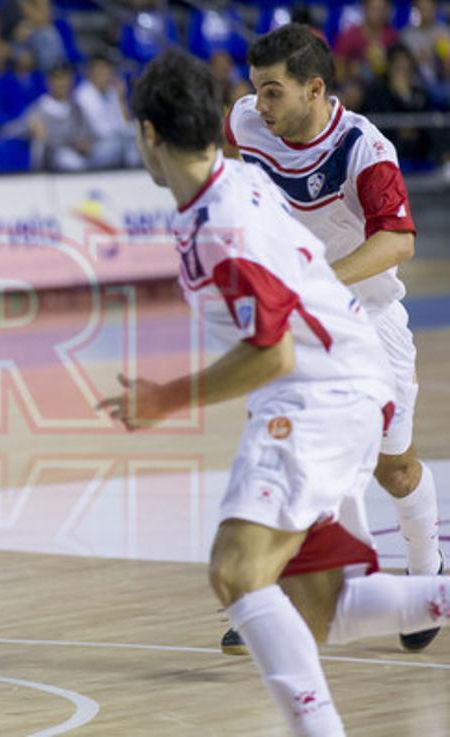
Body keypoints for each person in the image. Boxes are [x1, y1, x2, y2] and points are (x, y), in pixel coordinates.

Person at [102, 48, 450, 737]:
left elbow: (273, 347)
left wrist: (164, 398)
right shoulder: (233, 178)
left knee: (236, 571)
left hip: (317, 391)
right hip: (342, 379)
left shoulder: (219, 225)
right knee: (319, 603)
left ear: (148, 134)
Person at [223, 23, 442, 654]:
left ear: (314, 89)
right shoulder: (246, 123)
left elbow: (398, 240)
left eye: (273, 92)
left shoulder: (363, 148)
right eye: (255, 91)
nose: (259, 106)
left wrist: (316, 282)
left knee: (394, 469)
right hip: (300, 326)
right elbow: (236, 173)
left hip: (368, 319)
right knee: (288, 451)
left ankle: (427, 578)